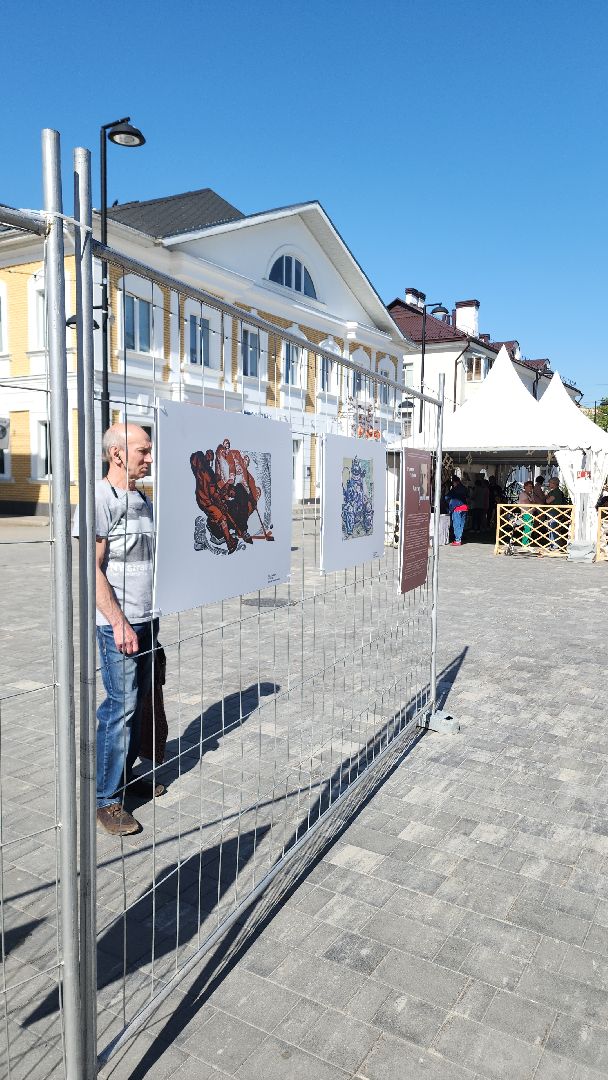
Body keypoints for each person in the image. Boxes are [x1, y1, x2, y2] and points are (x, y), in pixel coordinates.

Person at [74, 424, 165, 836]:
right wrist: (118, 622)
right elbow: (89, 569)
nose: (149, 458)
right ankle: (106, 802)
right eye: (143, 451)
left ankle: (124, 782)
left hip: (147, 620)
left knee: (138, 705)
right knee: (119, 708)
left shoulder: (142, 498)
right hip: (119, 626)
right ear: (117, 455)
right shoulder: (98, 499)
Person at [546, 476, 567, 549]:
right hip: (552, 511)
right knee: (551, 527)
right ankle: (552, 543)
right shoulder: (555, 491)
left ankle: (555, 544)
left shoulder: (556, 492)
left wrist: (546, 497)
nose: (549, 484)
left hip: (554, 511)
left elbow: (548, 501)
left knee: (553, 527)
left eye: (550, 483)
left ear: (554, 483)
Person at [448, 476, 469, 546]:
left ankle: (457, 540)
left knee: (456, 524)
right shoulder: (465, 488)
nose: (453, 484)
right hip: (465, 508)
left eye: (453, 483)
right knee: (461, 524)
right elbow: (467, 496)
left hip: (457, 508)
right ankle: (459, 538)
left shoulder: (454, 489)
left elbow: (447, 497)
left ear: (455, 482)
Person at [518, 480, 536, 546]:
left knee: (530, 528)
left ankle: (527, 543)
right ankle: (525, 543)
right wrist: (533, 503)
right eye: (529, 486)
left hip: (531, 512)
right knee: (527, 528)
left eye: (532, 486)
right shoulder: (523, 494)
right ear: (525, 487)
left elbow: (533, 503)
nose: (531, 488)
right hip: (526, 513)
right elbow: (529, 503)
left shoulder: (531, 495)